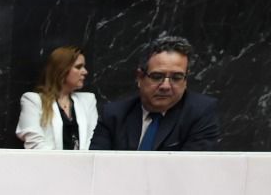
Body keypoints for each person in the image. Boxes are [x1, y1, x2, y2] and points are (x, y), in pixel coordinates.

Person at [90, 36, 222, 151]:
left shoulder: (200, 112)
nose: (165, 86)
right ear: (140, 77)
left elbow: (193, 167)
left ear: (185, 80)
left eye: (176, 78)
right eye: (157, 77)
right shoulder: (114, 115)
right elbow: (95, 165)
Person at [16, 45, 97, 150]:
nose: (85, 72)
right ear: (62, 70)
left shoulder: (88, 100)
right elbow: (35, 144)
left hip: (84, 160)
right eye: (78, 67)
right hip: (46, 160)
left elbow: (94, 139)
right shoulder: (33, 101)